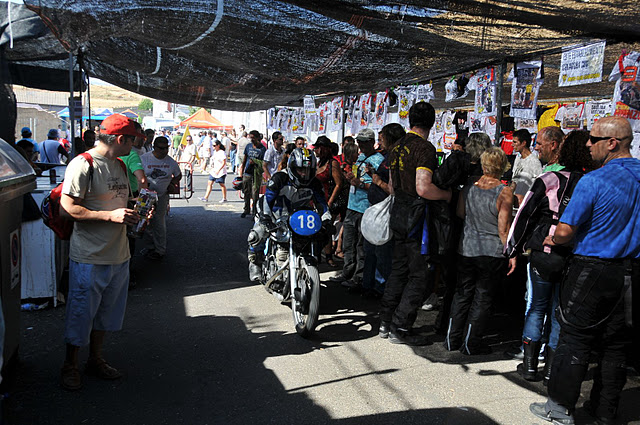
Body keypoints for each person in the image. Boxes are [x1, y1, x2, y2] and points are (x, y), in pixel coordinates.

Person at [530, 116, 639, 425]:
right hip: (631, 271)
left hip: (592, 268)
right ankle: (605, 411)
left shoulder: (594, 180)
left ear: (612, 143)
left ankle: (559, 406)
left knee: (574, 338)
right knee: (616, 345)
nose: (588, 145)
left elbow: (565, 231)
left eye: (594, 139)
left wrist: (553, 238)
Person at [58, 114, 145, 390]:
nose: (135, 145)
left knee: (106, 314)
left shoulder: (119, 164)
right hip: (89, 257)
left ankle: (95, 359)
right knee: (81, 313)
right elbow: (68, 209)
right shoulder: (82, 164)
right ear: (120, 139)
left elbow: (120, 201)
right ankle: (70, 364)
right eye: (132, 140)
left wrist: (136, 212)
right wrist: (110, 216)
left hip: (119, 254)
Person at [505, 130, 595, 383]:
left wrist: (513, 249)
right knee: (558, 310)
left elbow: (525, 215)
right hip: (574, 255)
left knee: (537, 307)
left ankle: (530, 366)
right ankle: (550, 371)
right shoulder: (591, 182)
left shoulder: (549, 179)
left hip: (545, 253)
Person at [379, 102, 451, 346]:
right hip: (415, 218)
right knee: (419, 274)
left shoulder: (396, 146)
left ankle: (385, 321)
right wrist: (447, 195)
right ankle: (401, 326)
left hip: (398, 213)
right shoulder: (424, 148)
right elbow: (423, 188)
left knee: (398, 270)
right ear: (432, 122)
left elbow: (392, 187)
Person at [444, 147, 513, 355]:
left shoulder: (468, 188)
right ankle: (470, 342)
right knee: (482, 298)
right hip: (491, 250)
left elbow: (460, 213)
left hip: (467, 247)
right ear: (501, 166)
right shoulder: (504, 192)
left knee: (462, 294)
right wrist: (512, 253)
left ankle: (451, 338)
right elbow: (503, 229)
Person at [431, 132, 492, 330]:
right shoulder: (482, 172)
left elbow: (438, 180)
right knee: (469, 286)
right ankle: (461, 327)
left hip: (451, 227)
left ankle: (446, 325)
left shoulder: (457, 162)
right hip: (471, 233)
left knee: (455, 283)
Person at [247, 147, 330, 281]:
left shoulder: (315, 183)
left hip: (298, 217)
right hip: (274, 213)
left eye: (307, 170)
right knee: (258, 233)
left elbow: (322, 205)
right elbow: (267, 200)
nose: (304, 174)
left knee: (323, 234)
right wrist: (266, 218)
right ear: (292, 167)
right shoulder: (279, 178)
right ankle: (255, 262)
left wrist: (327, 220)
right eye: (300, 169)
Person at [329, 129, 384, 291]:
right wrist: (350, 178)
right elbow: (355, 177)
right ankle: (347, 272)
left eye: (363, 142)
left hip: (365, 208)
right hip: (352, 205)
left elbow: (377, 186)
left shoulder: (378, 160)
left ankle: (359, 278)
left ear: (371, 142)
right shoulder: (360, 157)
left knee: (361, 246)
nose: (360, 145)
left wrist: (359, 183)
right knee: (348, 243)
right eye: (359, 142)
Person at [361, 123, 405, 299]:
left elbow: (393, 189)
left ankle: (381, 288)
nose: (379, 143)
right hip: (377, 210)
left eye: (381, 139)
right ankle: (369, 284)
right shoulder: (387, 156)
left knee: (382, 252)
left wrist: (377, 181)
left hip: (385, 212)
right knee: (371, 250)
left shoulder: (395, 158)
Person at [140, 137, 182, 260]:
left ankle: (160, 250)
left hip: (162, 195)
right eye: (161, 148)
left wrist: (172, 184)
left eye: (166, 148)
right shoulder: (144, 158)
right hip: (146, 196)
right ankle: (150, 247)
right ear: (154, 147)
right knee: (145, 222)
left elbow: (178, 175)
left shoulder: (171, 162)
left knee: (159, 222)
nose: (164, 151)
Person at [313, 136, 345, 267]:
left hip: (328, 201)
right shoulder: (319, 163)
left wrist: (330, 202)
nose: (315, 150)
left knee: (326, 229)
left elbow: (339, 184)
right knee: (317, 228)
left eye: (317, 148)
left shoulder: (333, 163)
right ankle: (318, 255)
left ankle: (328, 256)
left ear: (324, 149)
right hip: (317, 201)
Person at [511, 129, 542, 205]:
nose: (512, 145)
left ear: (523, 143)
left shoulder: (534, 162)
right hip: (515, 202)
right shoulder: (517, 159)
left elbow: (538, 186)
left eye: (515, 142)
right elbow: (514, 181)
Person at [239, 130, 266, 218]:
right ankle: (246, 209)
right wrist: (241, 173)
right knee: (246, 192)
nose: (252, 140)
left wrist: (255, 162)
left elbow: (264, 163)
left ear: (258, 138)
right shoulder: (248, 146)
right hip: (247, 172)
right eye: (250, 138)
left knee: (255, 194)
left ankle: (254, 211)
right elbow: (244, 159)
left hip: (256, 174)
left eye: (253, 138)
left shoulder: (262, 149)